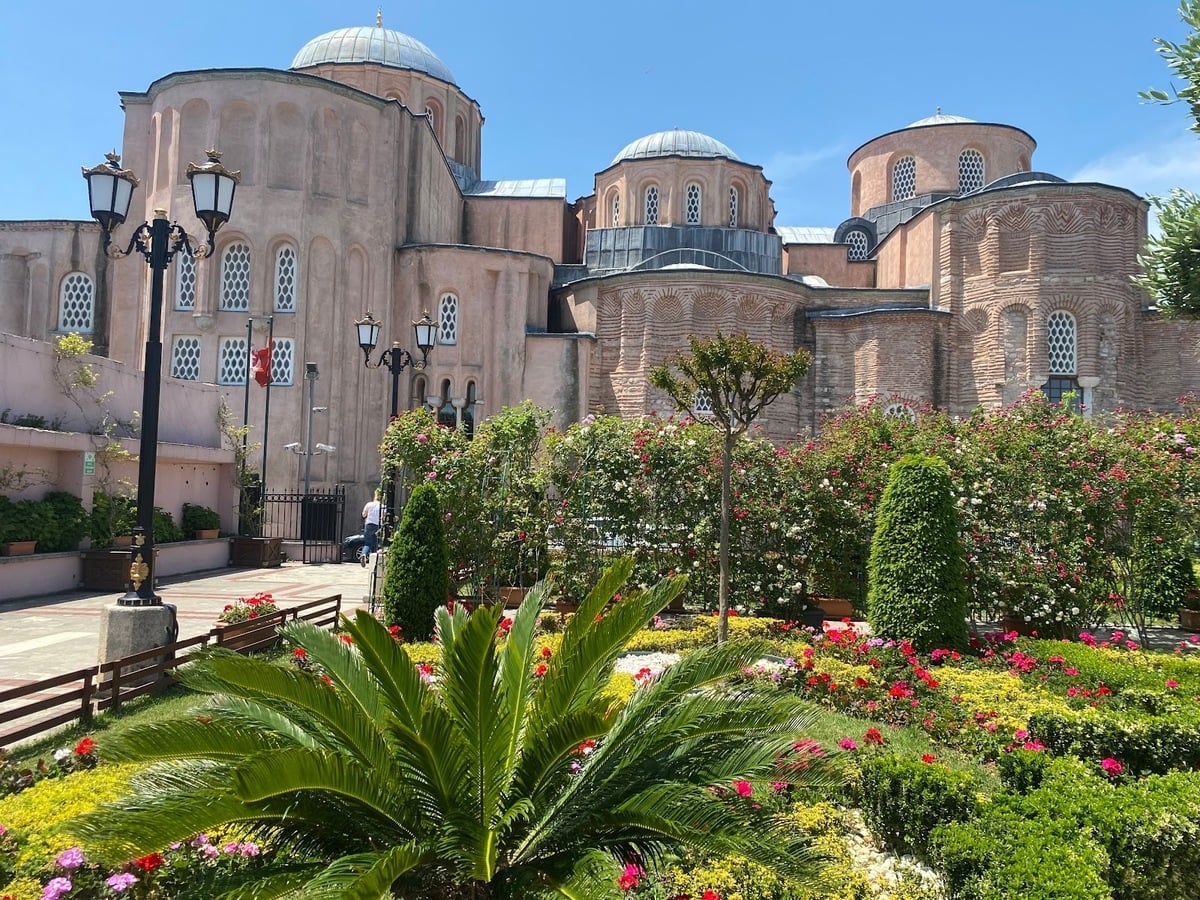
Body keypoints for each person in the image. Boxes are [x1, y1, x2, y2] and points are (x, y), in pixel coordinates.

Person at [360, 491, 383, 567]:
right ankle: (374, 562)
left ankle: (364, 554)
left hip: (369, 524)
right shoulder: (382, 506)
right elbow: (384, 517)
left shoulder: (369, 504)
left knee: (368, 543)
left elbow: (364, 514)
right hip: (378, 525)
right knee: (376, 544)